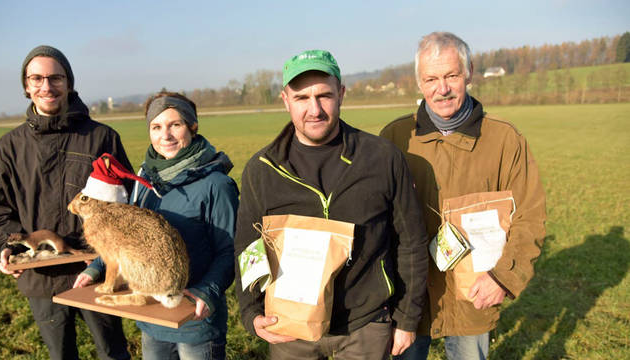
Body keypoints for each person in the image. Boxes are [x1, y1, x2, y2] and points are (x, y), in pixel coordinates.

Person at [233, 49, 430, 359]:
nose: (315, 109)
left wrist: (406, 319)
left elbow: (411, 242)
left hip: (366, 324)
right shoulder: (262, 169)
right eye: (301, 98)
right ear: (285, 100)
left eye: (324, 95)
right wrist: (250, 311)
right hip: (289, 326)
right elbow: (248, 247)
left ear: (341, 94)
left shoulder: (382, 158)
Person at [380, 32, 546, 360]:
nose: (442, 89)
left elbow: (530, 216)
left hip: (474, 294)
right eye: (431, 78)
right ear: (418, 82)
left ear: (469, 72)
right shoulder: (395, 138)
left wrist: (503, 277)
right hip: (411, 300)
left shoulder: (505, 140)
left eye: (452, 76)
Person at [0, 45, 131, 359]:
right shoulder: (10, 147)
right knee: (61, 355)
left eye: (55, 78)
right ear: (26, 86)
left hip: (95, 269)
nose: (46, 87)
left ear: (69, 82)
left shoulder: (102, 137)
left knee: (113, 353)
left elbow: (125, 205)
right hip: (41, 278)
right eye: (36, 79)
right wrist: (7, 246)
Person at [74, 91, 239, 360]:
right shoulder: (145, 179)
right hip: (151, 316)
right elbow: (124, 235)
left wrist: (206, 292)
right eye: (157, 127)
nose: (166, 135)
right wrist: (96, 268)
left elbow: (231, 251)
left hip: (194, 319)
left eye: (176, 125)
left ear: (193, 127)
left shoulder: (216, 185)